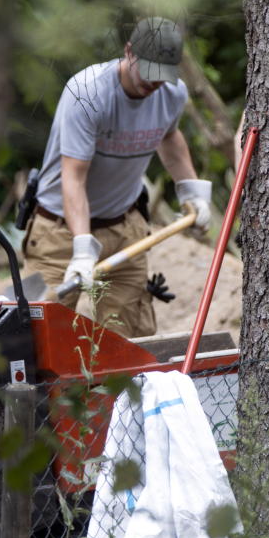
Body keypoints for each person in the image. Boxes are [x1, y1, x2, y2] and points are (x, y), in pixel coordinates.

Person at [22, 17, 212, 338]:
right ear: (129, 52)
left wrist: (191, 191)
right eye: (148, 71)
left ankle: (117, 392)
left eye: (161, 76)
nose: (153, 83)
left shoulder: (172, 94)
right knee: (43, 339)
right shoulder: (87, 93)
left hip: (126, 232)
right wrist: (82, 248)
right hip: (59, 235)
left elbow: (170, 137)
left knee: (128, 341)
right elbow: (73, 179)